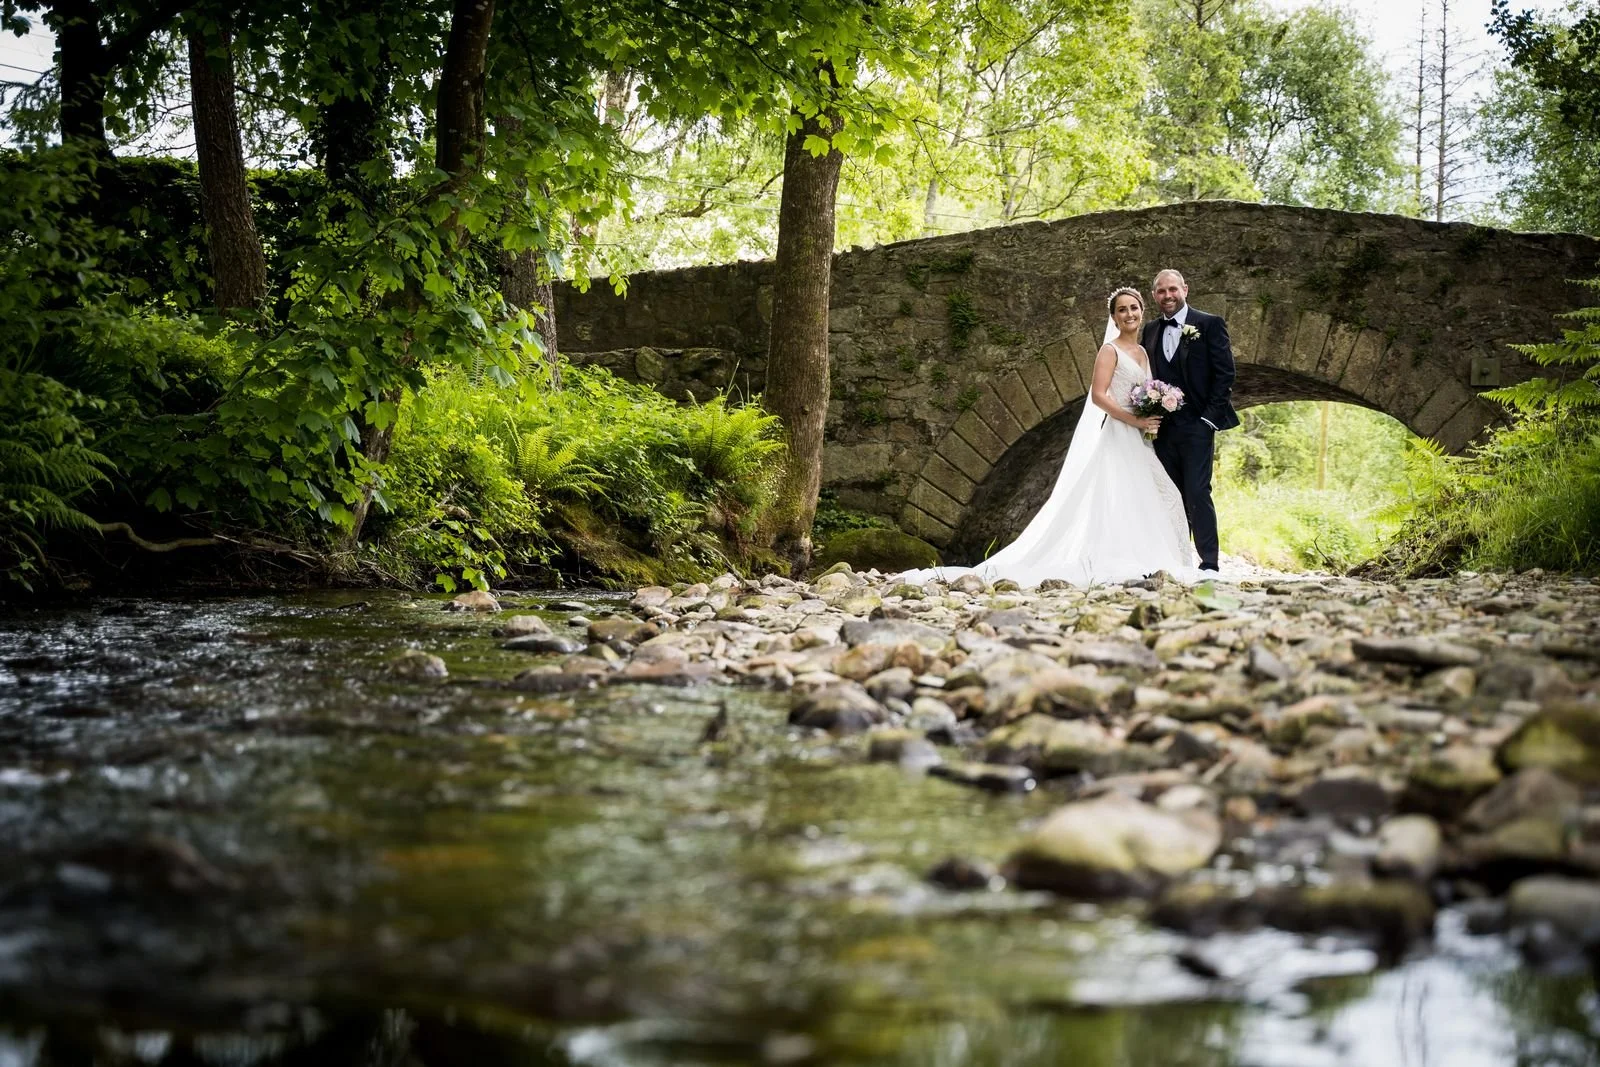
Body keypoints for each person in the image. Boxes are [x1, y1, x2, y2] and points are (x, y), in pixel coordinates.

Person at [897, 287, 1193, 588]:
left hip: (1139, 437)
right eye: (1122, 310)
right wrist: (1135, 419)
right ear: (1114, 318)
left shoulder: (1142, 352)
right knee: (1118, 492)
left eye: (1133, 308)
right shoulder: (1109, 351)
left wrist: (1152, 412)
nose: (1129, 314)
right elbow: (1098, 396)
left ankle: (1148, 556)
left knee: (1156, 493)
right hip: (1118, 433)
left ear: (1142, 311)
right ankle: (1113, 559)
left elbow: (1142, 393)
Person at [1139, 269, 1239, 572]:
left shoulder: (1209, 324)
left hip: (1198, 424)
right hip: (1163, 429)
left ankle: (1209, 562)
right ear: (1154, 295)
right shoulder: (1150, 330)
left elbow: (1225, 374)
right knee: (1170, 494)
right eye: (1161, 291)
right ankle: (1175, 558)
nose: (1167, 296)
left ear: (1185, 289)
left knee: (1197, 491)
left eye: (1173, 289)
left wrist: (1209, 419)